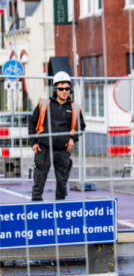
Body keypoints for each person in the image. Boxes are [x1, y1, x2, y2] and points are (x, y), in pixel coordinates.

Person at [28, 72, 85, 201]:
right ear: (55, 89)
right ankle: (37, 213)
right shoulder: (44, 105)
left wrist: (73, 139)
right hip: (44, 150)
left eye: (67, 88)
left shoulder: (74, 108)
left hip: (62, 151)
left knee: (62, 185)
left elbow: (81, 126)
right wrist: (33, 142)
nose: (64, 91)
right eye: (61, 88)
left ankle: (60, 213)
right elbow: (32, 121)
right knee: (38, 184)